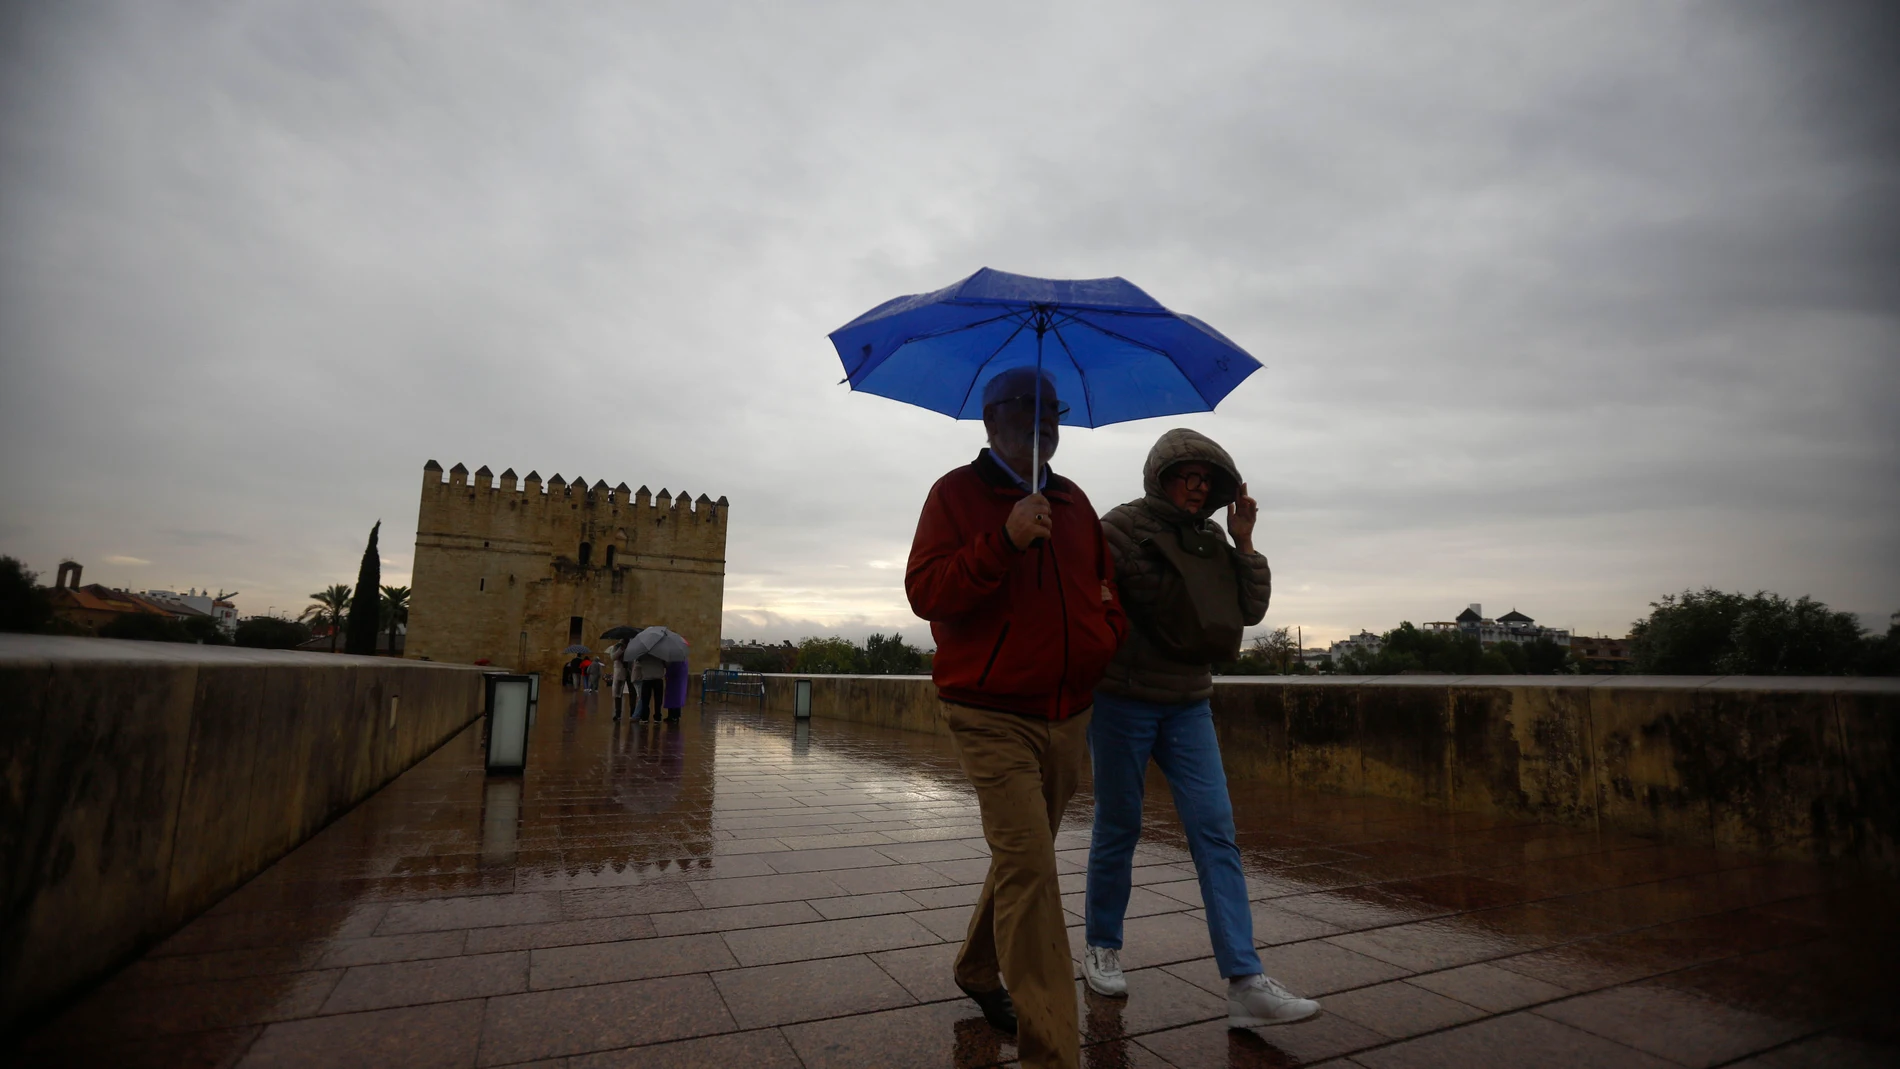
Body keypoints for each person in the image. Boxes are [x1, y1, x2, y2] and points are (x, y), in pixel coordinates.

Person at [906, 366, 1126, 1069]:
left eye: (1052, 414)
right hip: (989, 711)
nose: (1045, 426)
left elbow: (1105, 590)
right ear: (991, 420)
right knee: (1033, 868)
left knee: (1021, 856)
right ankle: (1054, 1052)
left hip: (1069, 713)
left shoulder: (1076, 502)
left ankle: (976, 966)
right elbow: (925, 590)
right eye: (1028, 414)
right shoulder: (955, 494)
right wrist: (1001, 541)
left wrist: (1104, 637)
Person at [1081, 428, 1320, 1028]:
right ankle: (1102, 944)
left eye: (1205, 480)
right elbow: (1092, 601)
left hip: (1189, 700)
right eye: (1185, 476)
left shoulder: (1215, 537)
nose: (1195, 487)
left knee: (1216, 833)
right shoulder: (1119, 527)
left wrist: (1244, 542)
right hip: (1123, 699)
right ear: (1160, 475)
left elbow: (1250, 611)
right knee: (1119, 825)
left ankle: (1244, 981)